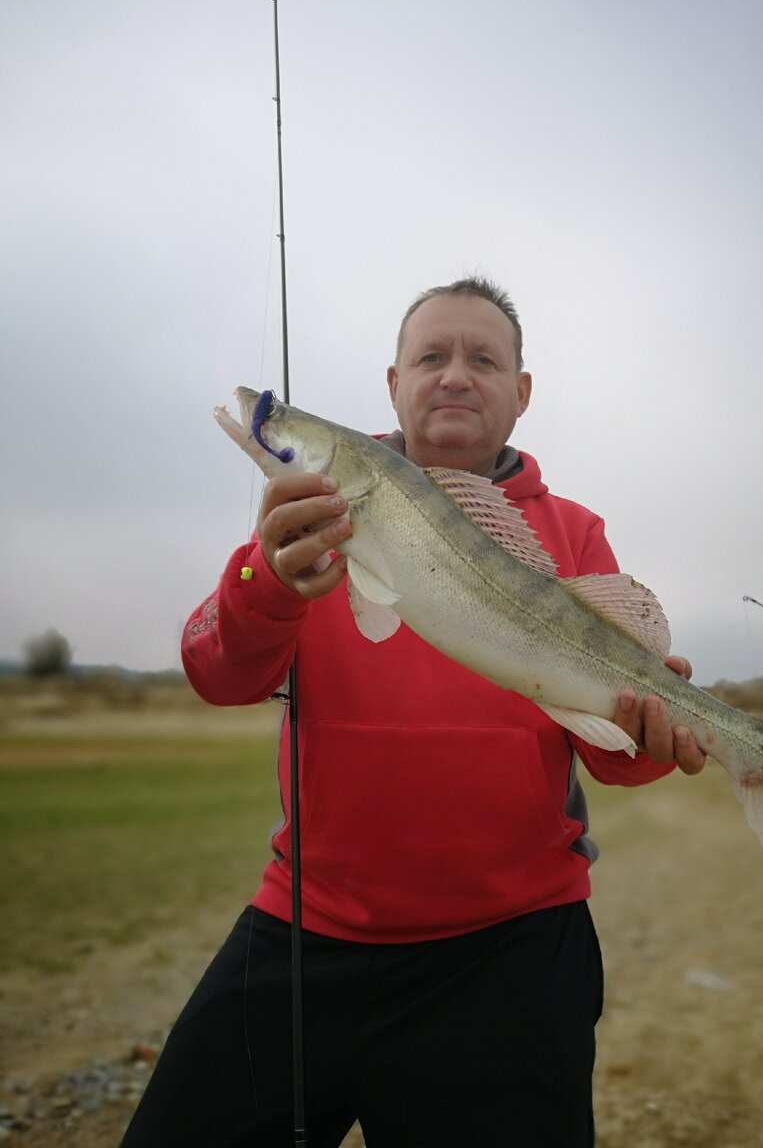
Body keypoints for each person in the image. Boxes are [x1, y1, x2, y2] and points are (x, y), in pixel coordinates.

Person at [121, 277, 704, 1148]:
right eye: (431, 356)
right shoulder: (311, 514)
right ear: (393, 384)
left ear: (521, 392)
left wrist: (652, 737)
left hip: (513, 953)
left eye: (484, 360)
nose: (455, 375)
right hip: (307, 932)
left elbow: (618, 755)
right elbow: (218, 672)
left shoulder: (574, 533)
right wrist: (265, 579)